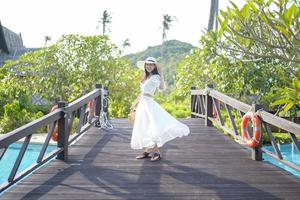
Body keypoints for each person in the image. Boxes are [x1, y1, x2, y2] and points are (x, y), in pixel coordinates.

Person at [130, 57, 190, 162]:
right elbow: (142, 92)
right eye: (147, 64)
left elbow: (162, 88)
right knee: (144, 127)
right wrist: (135, 103)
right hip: (142, 103)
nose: (149, 66)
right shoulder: (146, 76)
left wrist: (161, 72)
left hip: (149, 103)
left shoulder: (155, 77)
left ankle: (157, 153)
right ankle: (147, 151)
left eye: (151, 65)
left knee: (152, 127)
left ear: (154, 66)